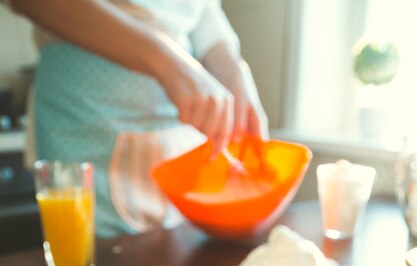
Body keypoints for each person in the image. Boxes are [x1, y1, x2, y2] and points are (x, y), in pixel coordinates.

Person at [7, 0, 269, 236]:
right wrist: (168, 62)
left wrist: (233, 68)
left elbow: (203, 9)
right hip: (87, 120)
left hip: (179, 133)